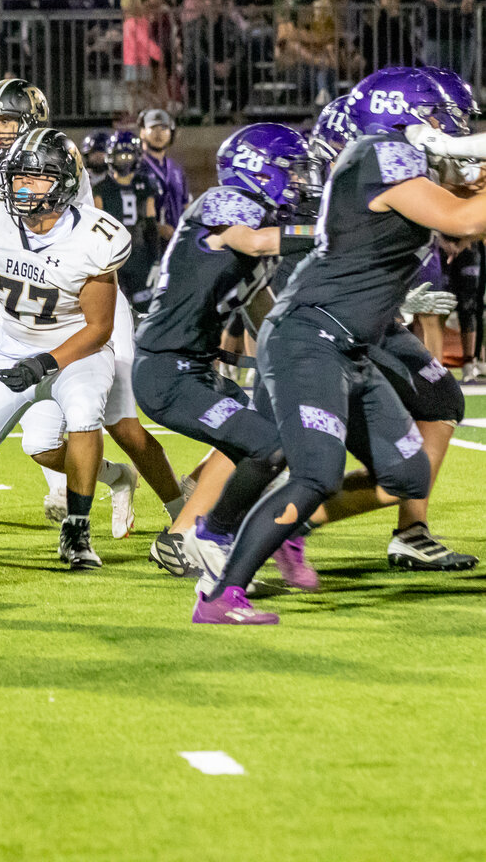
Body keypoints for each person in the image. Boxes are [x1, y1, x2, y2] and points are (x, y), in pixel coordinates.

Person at [193, 69, 486, 625]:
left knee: (408, 475)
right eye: (447, 115)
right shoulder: (380, 154)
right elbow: (462, 217)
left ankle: (269, 527)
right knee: (315, 474)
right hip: (311, 336)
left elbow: (464, 211)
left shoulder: (392, 163)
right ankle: (220, 592)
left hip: (350, 346)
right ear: (412, 117)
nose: (456, 127)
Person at [0, 129, 129, 570]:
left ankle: (76, 530)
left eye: (37, 178)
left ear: (65, 184)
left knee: (85, 414)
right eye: (18, 178)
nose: (23, 187)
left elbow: (99, 328)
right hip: (10, 348)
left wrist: (47, 363)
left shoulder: (93, 237)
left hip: (76, 352)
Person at [133, 125, 319, 579]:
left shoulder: (258, 229)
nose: (297, 182)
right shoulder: (227, 202)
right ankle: (218, 535)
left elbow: (266, 316)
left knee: (260, 433)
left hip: (193, 368)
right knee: (270, 447)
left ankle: (180, 537)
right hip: (167, 371)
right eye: (289, 172)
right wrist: (334, 231)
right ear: (259, 168)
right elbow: (254, 241)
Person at [93, 131, 160, 312]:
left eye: (128, 155)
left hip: (140, 256)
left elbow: (151, 226)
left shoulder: (145, 185)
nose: (124, 160)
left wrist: (156, 259)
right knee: (114, 313)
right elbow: (95, 230)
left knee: (144, 312)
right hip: (112, 259)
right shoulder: (100, 189)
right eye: (120, 155)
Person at [137, 108, 188, 240]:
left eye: (164, 128)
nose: (158, 133)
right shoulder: (136, 167)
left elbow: (185, 205)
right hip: (146, 243)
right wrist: (157, 227)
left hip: (175, 242)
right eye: (153, 128)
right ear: (142, 132)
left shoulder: (176, 169)